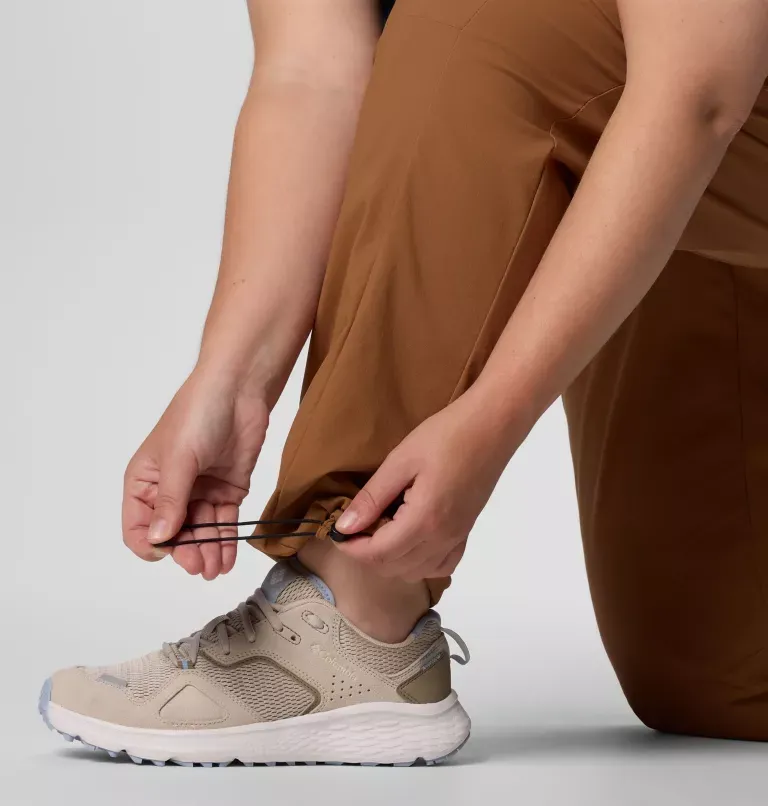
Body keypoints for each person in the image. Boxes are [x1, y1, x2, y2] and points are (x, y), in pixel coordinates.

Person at [39, 0, 768, 767]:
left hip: (704, 99)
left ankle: (351, 619)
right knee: (720, 679)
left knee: (487, 17)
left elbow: (700, 85)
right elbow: (312, 74)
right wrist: (231, 379)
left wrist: (492, 417)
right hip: (696, 180)